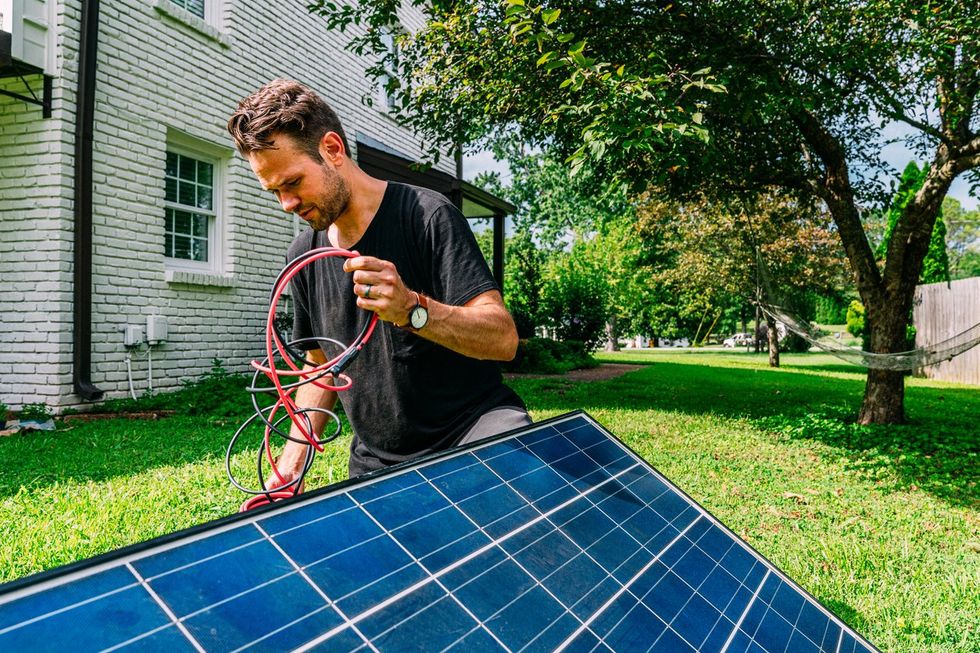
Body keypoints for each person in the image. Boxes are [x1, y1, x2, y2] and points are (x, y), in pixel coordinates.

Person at [227, 79, 530, 483]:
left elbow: (503, 339)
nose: (287, 204)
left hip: (474, 433)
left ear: (332, 150)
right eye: (275, 191)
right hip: (379, 462)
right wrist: (289, 469)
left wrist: (412, 310)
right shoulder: (303, 256)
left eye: (294, 182)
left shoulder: (426, 216)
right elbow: (319, 368)